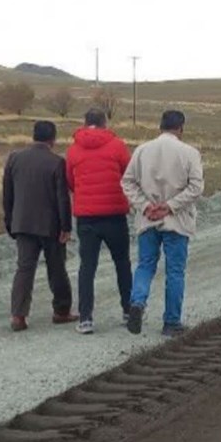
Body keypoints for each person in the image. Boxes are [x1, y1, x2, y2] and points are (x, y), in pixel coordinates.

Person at [121, 110, 204, 337]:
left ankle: (137, 303)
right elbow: (196, 188)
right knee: (175, 271)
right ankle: (171, 322)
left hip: (148, 219)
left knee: (145, 265)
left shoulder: (141, 150)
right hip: (176, 221)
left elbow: (127, 182)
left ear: (160, 126)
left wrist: (146, 206)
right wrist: (170, 206)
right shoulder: (189, 153)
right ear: (181, 128)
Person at [3, 121, 78, 332]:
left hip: (22, 223)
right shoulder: (56, 162)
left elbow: (8, 194)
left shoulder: (14, 158)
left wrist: (9, 220)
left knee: (24, 269)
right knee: (56, 268)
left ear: (33, 136)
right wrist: (66, 226)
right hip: (50, 226)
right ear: (52, 139)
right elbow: (62, 198)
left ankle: (18, 315)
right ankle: (61, 311)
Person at [65, 108, 133, 334]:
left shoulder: (73, 150)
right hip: (114, 214)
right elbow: (128, 174)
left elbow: (70, 181)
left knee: (87, 267)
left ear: (84, 123)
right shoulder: (118, 146)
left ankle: (85, 318)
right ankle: (128, 311)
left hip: (86, 217)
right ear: (105, 122)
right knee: (122, 263)